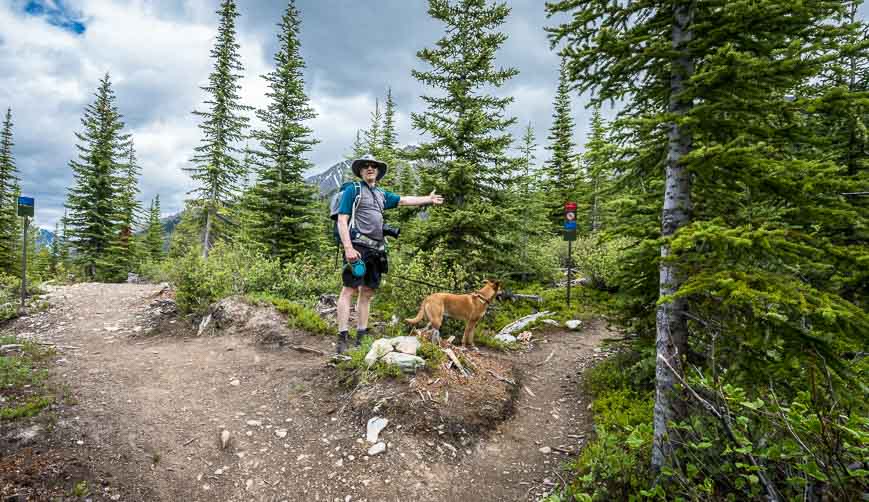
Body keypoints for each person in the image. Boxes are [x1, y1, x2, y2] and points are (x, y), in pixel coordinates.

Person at [334, 154, 444, 354]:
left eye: (373, 166)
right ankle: (342, 337)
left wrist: (427, 199)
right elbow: (342, 220)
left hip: (377, 249)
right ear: (360, 171)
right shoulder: (353, 190)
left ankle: (361, 335)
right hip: (357, 245)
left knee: (367, 292)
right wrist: (348, 247)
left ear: (377, 171)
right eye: (366, 166)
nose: (370, 168)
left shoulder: (382, 194)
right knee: (349, 289)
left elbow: (403, 200)